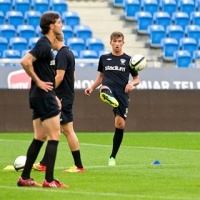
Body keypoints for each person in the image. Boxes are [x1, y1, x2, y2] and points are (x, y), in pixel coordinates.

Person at [18, 12, 68, 188]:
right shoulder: (44, 45)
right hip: (42, 95)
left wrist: (53, 94)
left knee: (40, 136)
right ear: (52, 26)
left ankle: (25, 178)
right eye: (59, 22)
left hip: (41, 96)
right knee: (55, 135)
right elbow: (25, 61)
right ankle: (49, 180)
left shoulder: (46, 45)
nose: (62, 25)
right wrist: (39, 82)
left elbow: (42, 71)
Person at [84, 31, 140, 166]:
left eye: (119, 41)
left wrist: (131, 84)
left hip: (122, 94)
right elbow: (101, 77)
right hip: (108, 87)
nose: (117, 44)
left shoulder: (129, 60)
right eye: (114, 41)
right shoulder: (104, 58)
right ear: (110, 42)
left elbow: (137, 79)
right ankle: (106, 95)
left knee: (120, 124)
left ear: (123, 43)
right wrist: (91, 87)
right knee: (104, 88)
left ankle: (112, 157)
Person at [32, 33, 84, 173]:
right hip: (65, 95)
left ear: (55, 40)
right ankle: (44, 163)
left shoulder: (61, 54)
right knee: (55, 130)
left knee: (66, 130)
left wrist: (49, 91)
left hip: (62, 97)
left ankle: (79, 166)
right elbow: (72, 76)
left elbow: (60, 77)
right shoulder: (68, 53)